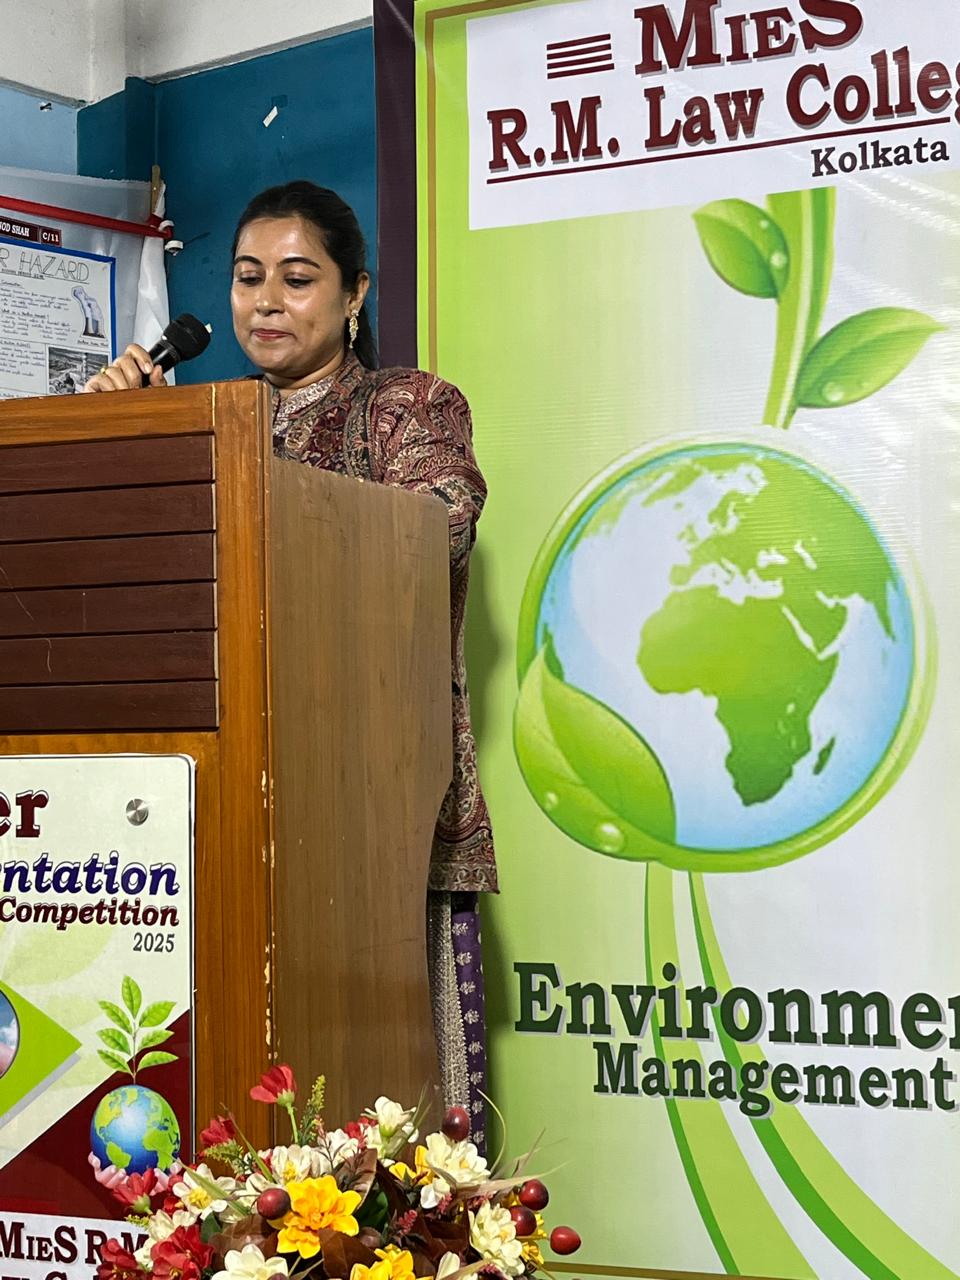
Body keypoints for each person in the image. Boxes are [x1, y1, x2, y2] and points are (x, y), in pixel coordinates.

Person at [84, 180, 498, 1144]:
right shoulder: (202, 416)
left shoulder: (410, 406)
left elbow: (436, 530)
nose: (265, 301)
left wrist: (242, 469)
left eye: (297, 278)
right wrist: (122, 439)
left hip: (376, 811)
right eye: (246, 278)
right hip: (214, 809)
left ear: (355, 294)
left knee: (390, 1122)